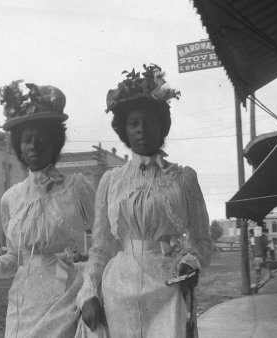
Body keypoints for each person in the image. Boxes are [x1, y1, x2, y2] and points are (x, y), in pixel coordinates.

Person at [77, 64, 212, 337]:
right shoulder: (111, 181)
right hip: (118, 290)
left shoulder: (183, 178)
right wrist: (89, 293)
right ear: (123, 130)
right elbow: (101, 249)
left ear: (162, 125)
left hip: (167, 286)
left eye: (149, 122)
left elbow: (201, 241)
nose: (141, 130)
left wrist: (190, 263)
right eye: (133, 123)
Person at [0, 80, 95, 338]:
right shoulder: (11, 198)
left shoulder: (76, 187)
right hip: (23, 300)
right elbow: (16, 258)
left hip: (64, 289)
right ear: (19, 147)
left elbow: (106, 242)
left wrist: (90, 289)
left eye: (43, 139)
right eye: (27, 140)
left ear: (55, 143)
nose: (34, 146)